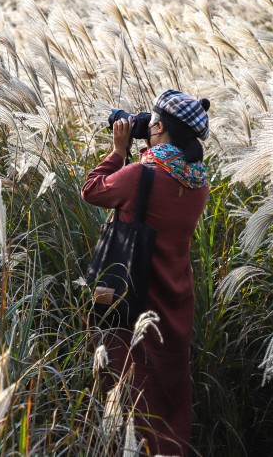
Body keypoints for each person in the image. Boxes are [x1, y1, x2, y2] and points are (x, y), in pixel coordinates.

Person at [82, 89, 211, 456]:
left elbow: (91, 190)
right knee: (168, 387)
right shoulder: (198, 182)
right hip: (177, 295)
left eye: (152, 122)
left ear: (159, 128)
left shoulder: (140, 174)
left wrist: (118, 151)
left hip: (135, 294)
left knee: (130, 383)